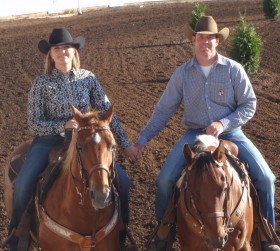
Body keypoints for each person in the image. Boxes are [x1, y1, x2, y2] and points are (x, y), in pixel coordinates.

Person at [134, 16, 278, 250]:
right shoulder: (182, 74)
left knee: (266, 178)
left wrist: (223, 123)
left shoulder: (234, 69)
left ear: (217, 41)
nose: (206, 42)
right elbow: (163, 110)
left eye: (211, 37)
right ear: (193, 40)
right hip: (195, 135)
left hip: (231, 134)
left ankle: (267, 235)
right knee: (165, 180)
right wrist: (142, 139)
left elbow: (249, 104)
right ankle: (164, 232)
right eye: (201, 37)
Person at [7, 27, 137, 251]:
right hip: (49, 141)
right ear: (50, 54)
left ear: (74, 51)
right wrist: (63, 125)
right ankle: (16, 237)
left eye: (66, 47)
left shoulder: (88, 78)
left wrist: (125, 145)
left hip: (85, 141)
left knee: (123, 183)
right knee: (22, 184)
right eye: (57, 48)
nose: (62, 52)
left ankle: (121, 237)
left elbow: (106, 112)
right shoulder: (41, 83)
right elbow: (34, 122)